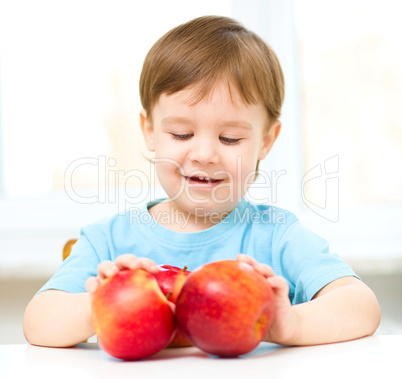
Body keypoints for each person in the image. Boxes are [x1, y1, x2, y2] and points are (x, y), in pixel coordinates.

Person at [23, 15, 380, 348]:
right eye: (181, 134)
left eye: (229, 139)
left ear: (266, 141)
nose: (205, 154)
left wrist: (290, 324)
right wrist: (101, 304)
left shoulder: (277, 235)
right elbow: (37, 323)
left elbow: (362, 306)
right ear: (150, 132)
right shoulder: (110, 240)